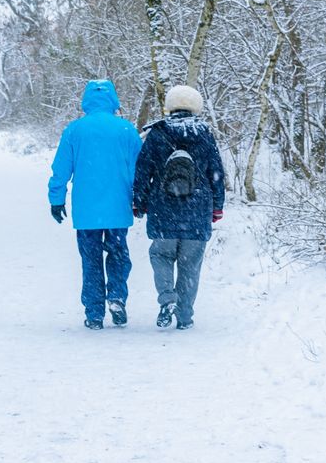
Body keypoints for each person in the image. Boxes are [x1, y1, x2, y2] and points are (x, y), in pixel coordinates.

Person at [48, 79, 142, 330]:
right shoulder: (126, 130)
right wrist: (140, 198)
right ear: (113, 99)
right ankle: (117, 296)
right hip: (118, 207)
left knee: (90, 260)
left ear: (87, 100)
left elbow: (61, 169)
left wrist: (56, 199)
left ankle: (94, 313)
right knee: (118, 255)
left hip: (87, 210)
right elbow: (139, 170)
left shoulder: (75, 130)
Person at [132, 85, 224, 330]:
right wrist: (217, 206)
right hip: (197, 211)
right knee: (190, 265)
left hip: (163, 210)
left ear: (170, 106)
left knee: (160, 256)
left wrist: (139, 202)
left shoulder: (157, 133)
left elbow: (142, 171)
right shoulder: (204, 134)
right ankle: (184, 317)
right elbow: (216, 173)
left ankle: (167, 299)